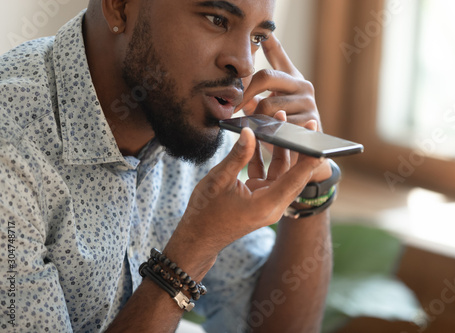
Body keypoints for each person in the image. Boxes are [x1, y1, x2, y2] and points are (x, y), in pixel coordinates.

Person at [0, 0, 336, 332]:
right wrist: (193, 249)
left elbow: (261, 320)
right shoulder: (10, 145)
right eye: (216, 19)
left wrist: (310, 180)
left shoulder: (183, 115)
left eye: (257, 37)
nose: (245, 65)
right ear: (119, 7)